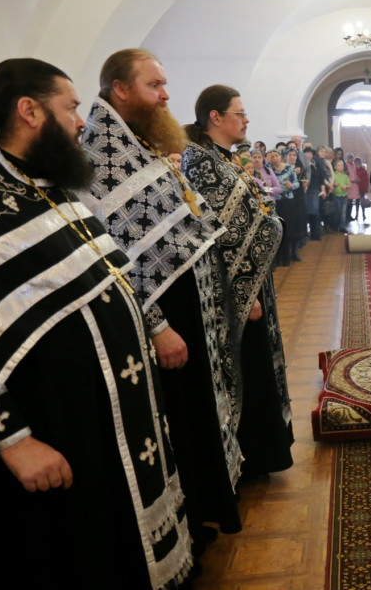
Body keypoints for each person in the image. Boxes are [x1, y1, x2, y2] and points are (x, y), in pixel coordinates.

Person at [0, 58, 193, 589]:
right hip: (55, 418)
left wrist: (153, 327)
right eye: (71, 107)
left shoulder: (51, 186)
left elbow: (113, 273)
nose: (81, 121)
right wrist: (14, 440)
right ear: (29, 110)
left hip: (113, 412)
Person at [82, 49, 241, 551]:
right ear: (120, 89)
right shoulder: (98, 156)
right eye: (155, 85)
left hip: (191, 315)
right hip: (164, 321)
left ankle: (209, 506)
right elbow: (111, 253)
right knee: (178, 424)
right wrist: (155, 323)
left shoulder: (142, 143)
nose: (167, 95)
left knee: (197, 419)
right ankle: (190, 522)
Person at [182, 85, 293, 477]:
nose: (246, 120)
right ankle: (252, 455)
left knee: (260, 364)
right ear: (216, 116)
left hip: (253, 282)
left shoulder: (221, 158)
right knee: (244, 367)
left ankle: (265, 450)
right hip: (234, 290)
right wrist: (241, 292)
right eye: (239, 113)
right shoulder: (200, 161)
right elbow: (218, 236)